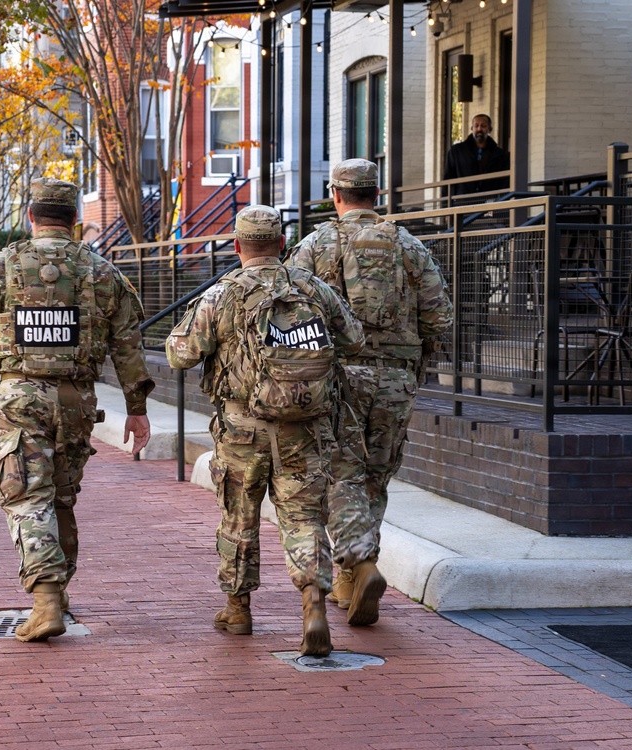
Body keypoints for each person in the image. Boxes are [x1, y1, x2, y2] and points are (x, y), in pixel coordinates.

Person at [0, 178, 154, 643]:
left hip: (20, 397)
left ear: (30, 216)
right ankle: (59, 596)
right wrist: (137, 408)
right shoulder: (103, 272)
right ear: (77, 218)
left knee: (25, 497)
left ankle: (44, 599)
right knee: (61, 497)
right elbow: (128, 347)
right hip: (77, 400)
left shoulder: (0, 266)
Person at [166, 205, 365, 657]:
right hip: (305, 427)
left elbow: (182, 355)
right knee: (303, 517)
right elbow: (354, 339)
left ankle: (238, 610)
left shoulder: (221, 294)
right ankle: (313, 600)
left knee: (239, 516)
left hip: (241, 430)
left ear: (237, 246)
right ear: (282, 244)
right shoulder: (312, 288)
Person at [287, 159, 453, 627]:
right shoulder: (409, 245)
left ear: (335, 195)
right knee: (376, 475)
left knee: (342, 474)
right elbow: (440, 316)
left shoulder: (315, 245)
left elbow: (289, 312)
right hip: (396, 380)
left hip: (338, 380)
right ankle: (349, 579)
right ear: (376, 195)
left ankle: (360, 564)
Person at [442, 114, 510, 197]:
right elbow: (447, 180)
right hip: (463, 203)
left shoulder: (500, 155)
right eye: (476, 126)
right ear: (472, 128)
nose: (479, 129)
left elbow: (505, 182)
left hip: (490, 203)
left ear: (490, 129)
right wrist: (446, 206)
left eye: (483, 126)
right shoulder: (456, 152)